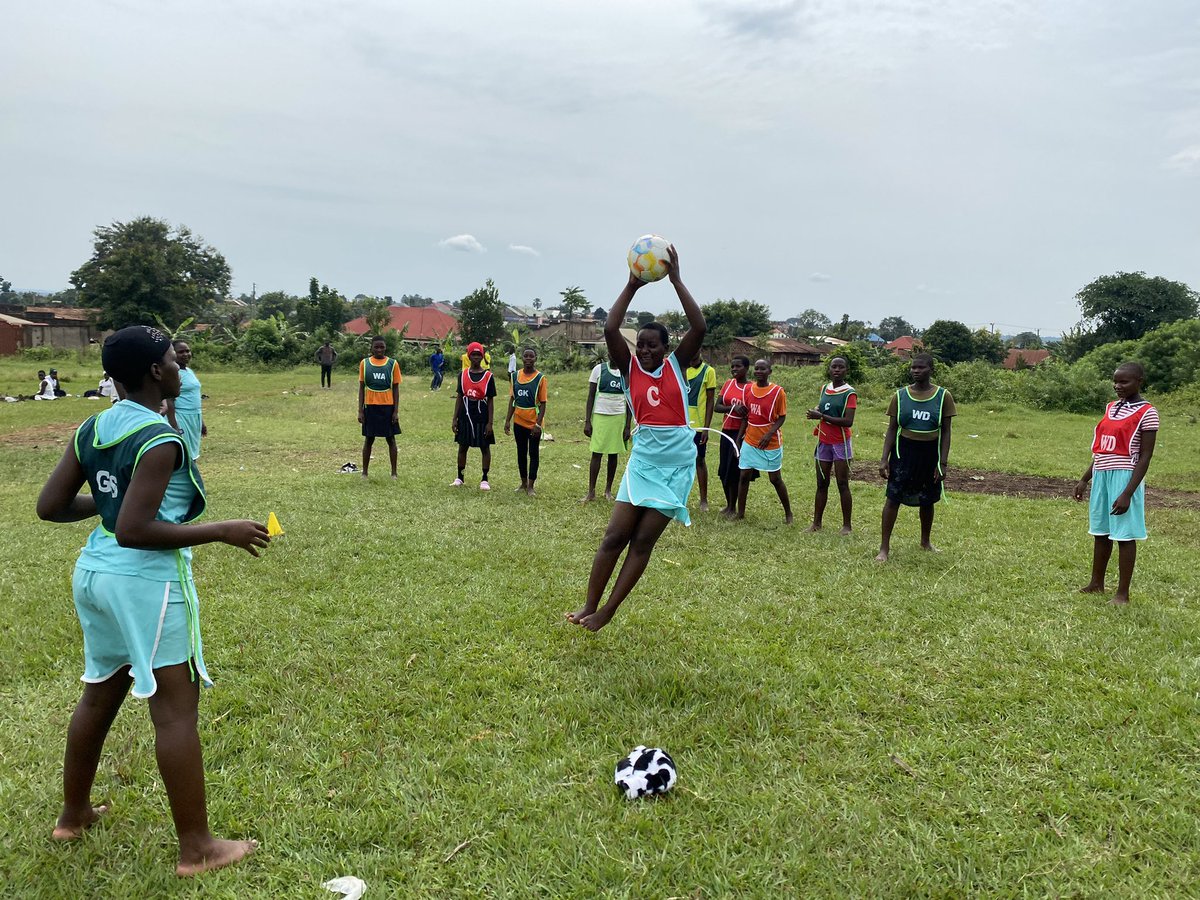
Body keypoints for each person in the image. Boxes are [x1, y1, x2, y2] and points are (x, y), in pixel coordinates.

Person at [35, 325, 267, 876]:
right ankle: (198, 848)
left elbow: (51, 505)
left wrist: (112, 496)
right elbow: (138, 530)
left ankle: (74, 815)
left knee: (98, 696)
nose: (180, 367)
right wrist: (221, 531)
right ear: (154, 373)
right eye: (171, 359)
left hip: (95, 574)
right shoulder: (161, 439)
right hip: (145, 583)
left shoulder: (94, 425)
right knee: (175, 710)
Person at [568, 245, 705, 632]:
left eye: (652, 344)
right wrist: (631, 285)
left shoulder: (678, 366)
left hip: (676, 467)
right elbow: (611, 328)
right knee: (614, 536)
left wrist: (676, 280)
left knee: (642, 542)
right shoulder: (628, 371)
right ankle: (590, 603)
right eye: (640, 344)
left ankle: (608, 610)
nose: (644, 350)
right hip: (643, 463)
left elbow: (699, 328)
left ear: (666, 347)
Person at [1073, 362, 1158, 605]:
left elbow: (1145, 457)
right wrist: (1084, 479)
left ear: (1139, 381)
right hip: (1102, 473)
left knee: (1124, 534)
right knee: (1101, 532)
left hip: (1125, 475)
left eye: (1124, 382)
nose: (1117, 386)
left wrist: (1127, 493)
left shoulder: (1147, 412)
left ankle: (1122, 593)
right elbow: (1101, 451)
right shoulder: (1111, 408)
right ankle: (1096, 583)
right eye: (1116, 381)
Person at [875, 353, 956, 561]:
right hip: (904, 453)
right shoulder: (900, 396)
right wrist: (884, 459)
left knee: (927, 499)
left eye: (921, 368)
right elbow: (892, 429)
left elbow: (946, 431)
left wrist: (942, 462)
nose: (916, 371)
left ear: (931, 370)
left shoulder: (943, 396)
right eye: (913, 368)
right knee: (893, 498)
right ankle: (884, 548)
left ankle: (925, 541)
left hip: (929, 454)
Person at [735, 359, 793, 524]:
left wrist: (769, 434)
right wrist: (740, 438)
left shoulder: (777, 392)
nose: (759, 371)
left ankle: (788, 513)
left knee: (775, 479)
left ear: (770, 371)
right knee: (744, 475)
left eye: (763, 369)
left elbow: (781, 417)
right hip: (750, 439)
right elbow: (746, 417)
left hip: (770, 441)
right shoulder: (748, 389)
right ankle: (740, 513)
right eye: (757, 368)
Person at [806, 356, 856, 533]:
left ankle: (847, 525)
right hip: (824, 441)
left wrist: (822, 417)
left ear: (846, 370)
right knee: (821, 483)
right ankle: (816, 523)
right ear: (829, 369)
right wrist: (817, 411)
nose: (837, 370)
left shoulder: (850, 393)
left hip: (840, 442)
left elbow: (848, 421)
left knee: (842, 483)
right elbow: (824, 407)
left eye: (840, 367)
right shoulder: (824, 389)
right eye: (833, 367)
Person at [582, 357, 632, 502]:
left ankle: (608, 490)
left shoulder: (626, 373)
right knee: (596, 453)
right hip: (600, 417)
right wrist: (587, 421)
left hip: (618, 418)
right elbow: (591, 396)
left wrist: (627, 425)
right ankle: (591, 492)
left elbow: (629, 400)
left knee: (613, 454)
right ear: (609, 354)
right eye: (611, 351)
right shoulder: (598, 370)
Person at [503, 347, 548, 496]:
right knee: (521, 452)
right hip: (519, 422)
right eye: (526, 356)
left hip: (533, 424)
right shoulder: (515, 376)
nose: (528, 359)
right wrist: (507, 420)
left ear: (535, 359)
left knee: (533, 453)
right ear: (522, 358)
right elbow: (512, 399)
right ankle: (523, 483)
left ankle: (531, 486)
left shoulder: (540, 378)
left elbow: (543, 403)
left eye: (531, 356)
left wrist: (538, 424)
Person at [452, 341, 496, 489]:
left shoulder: (489, 376)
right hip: (465, 413)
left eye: (479, 355)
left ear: (483, 356)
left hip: (481, 414)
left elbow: (490, 401)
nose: (476, 357)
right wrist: (455, 418)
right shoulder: (463, 375)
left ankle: (484, 479)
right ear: (469, 356)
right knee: (463, 446)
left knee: (484, 447)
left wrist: (490, 423)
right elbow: (459, 396)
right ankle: (460, 477)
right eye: (473, 355)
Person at [714, 355, 753, 517]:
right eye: (733, 366)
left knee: (735, 470)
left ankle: (734, 507)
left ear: (746, 368)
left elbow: (749, 414)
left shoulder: (751, 388)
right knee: (724, 469)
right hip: (726, 430)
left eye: (738, 366)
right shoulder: (728, 384)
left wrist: (739, 438)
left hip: (741, 433)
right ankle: (729, 504)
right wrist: (732, 407)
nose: (734, 369)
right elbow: (717, 406)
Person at [357, 336, 401, 479]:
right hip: (370, 407)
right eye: (376, 347)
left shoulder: (393, 364)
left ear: (385, 347)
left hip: (387, 407)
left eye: (382, 347)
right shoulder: (365, 363)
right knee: (369, 439)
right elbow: (361, 387)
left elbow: (395, 389)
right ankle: (364, 472)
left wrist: (395, 411)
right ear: (371, 348)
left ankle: (394, 473)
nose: (379, 350)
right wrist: (360, 410)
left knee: (391, 439)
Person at [685, 352, 717, 511]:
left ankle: (704, 500)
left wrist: (706, 427)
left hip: (698, 426)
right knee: (679, 462)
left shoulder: (708, 371)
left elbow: (710, 400)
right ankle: (678, 497)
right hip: (682, 424)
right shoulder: (683, 370)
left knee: (699, 460)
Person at [165, 340, 206, 461]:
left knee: (192, 453)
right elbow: (169, 401)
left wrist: (201, 421)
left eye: (187, 351)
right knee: (184, 453)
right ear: (172, 354)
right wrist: (174, 426)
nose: (186, 354)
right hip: (181, 417)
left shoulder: (189, 371)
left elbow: (195, 397)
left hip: (194, 417)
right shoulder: (174, 373)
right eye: (181, 352)